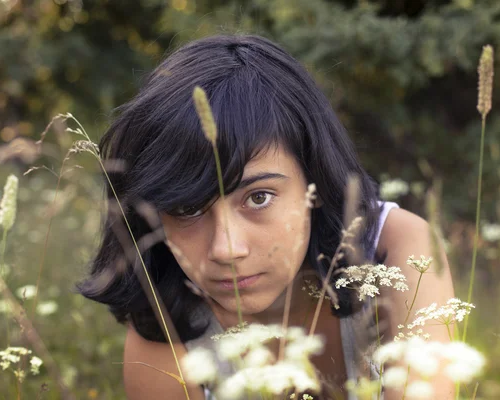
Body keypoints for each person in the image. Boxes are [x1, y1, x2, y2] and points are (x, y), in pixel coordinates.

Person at [78, 34, 455, 399]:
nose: (227, 249)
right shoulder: (161, 317)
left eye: (258, 197)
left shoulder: (396, 248)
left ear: (316, 181)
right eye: (187, 208)